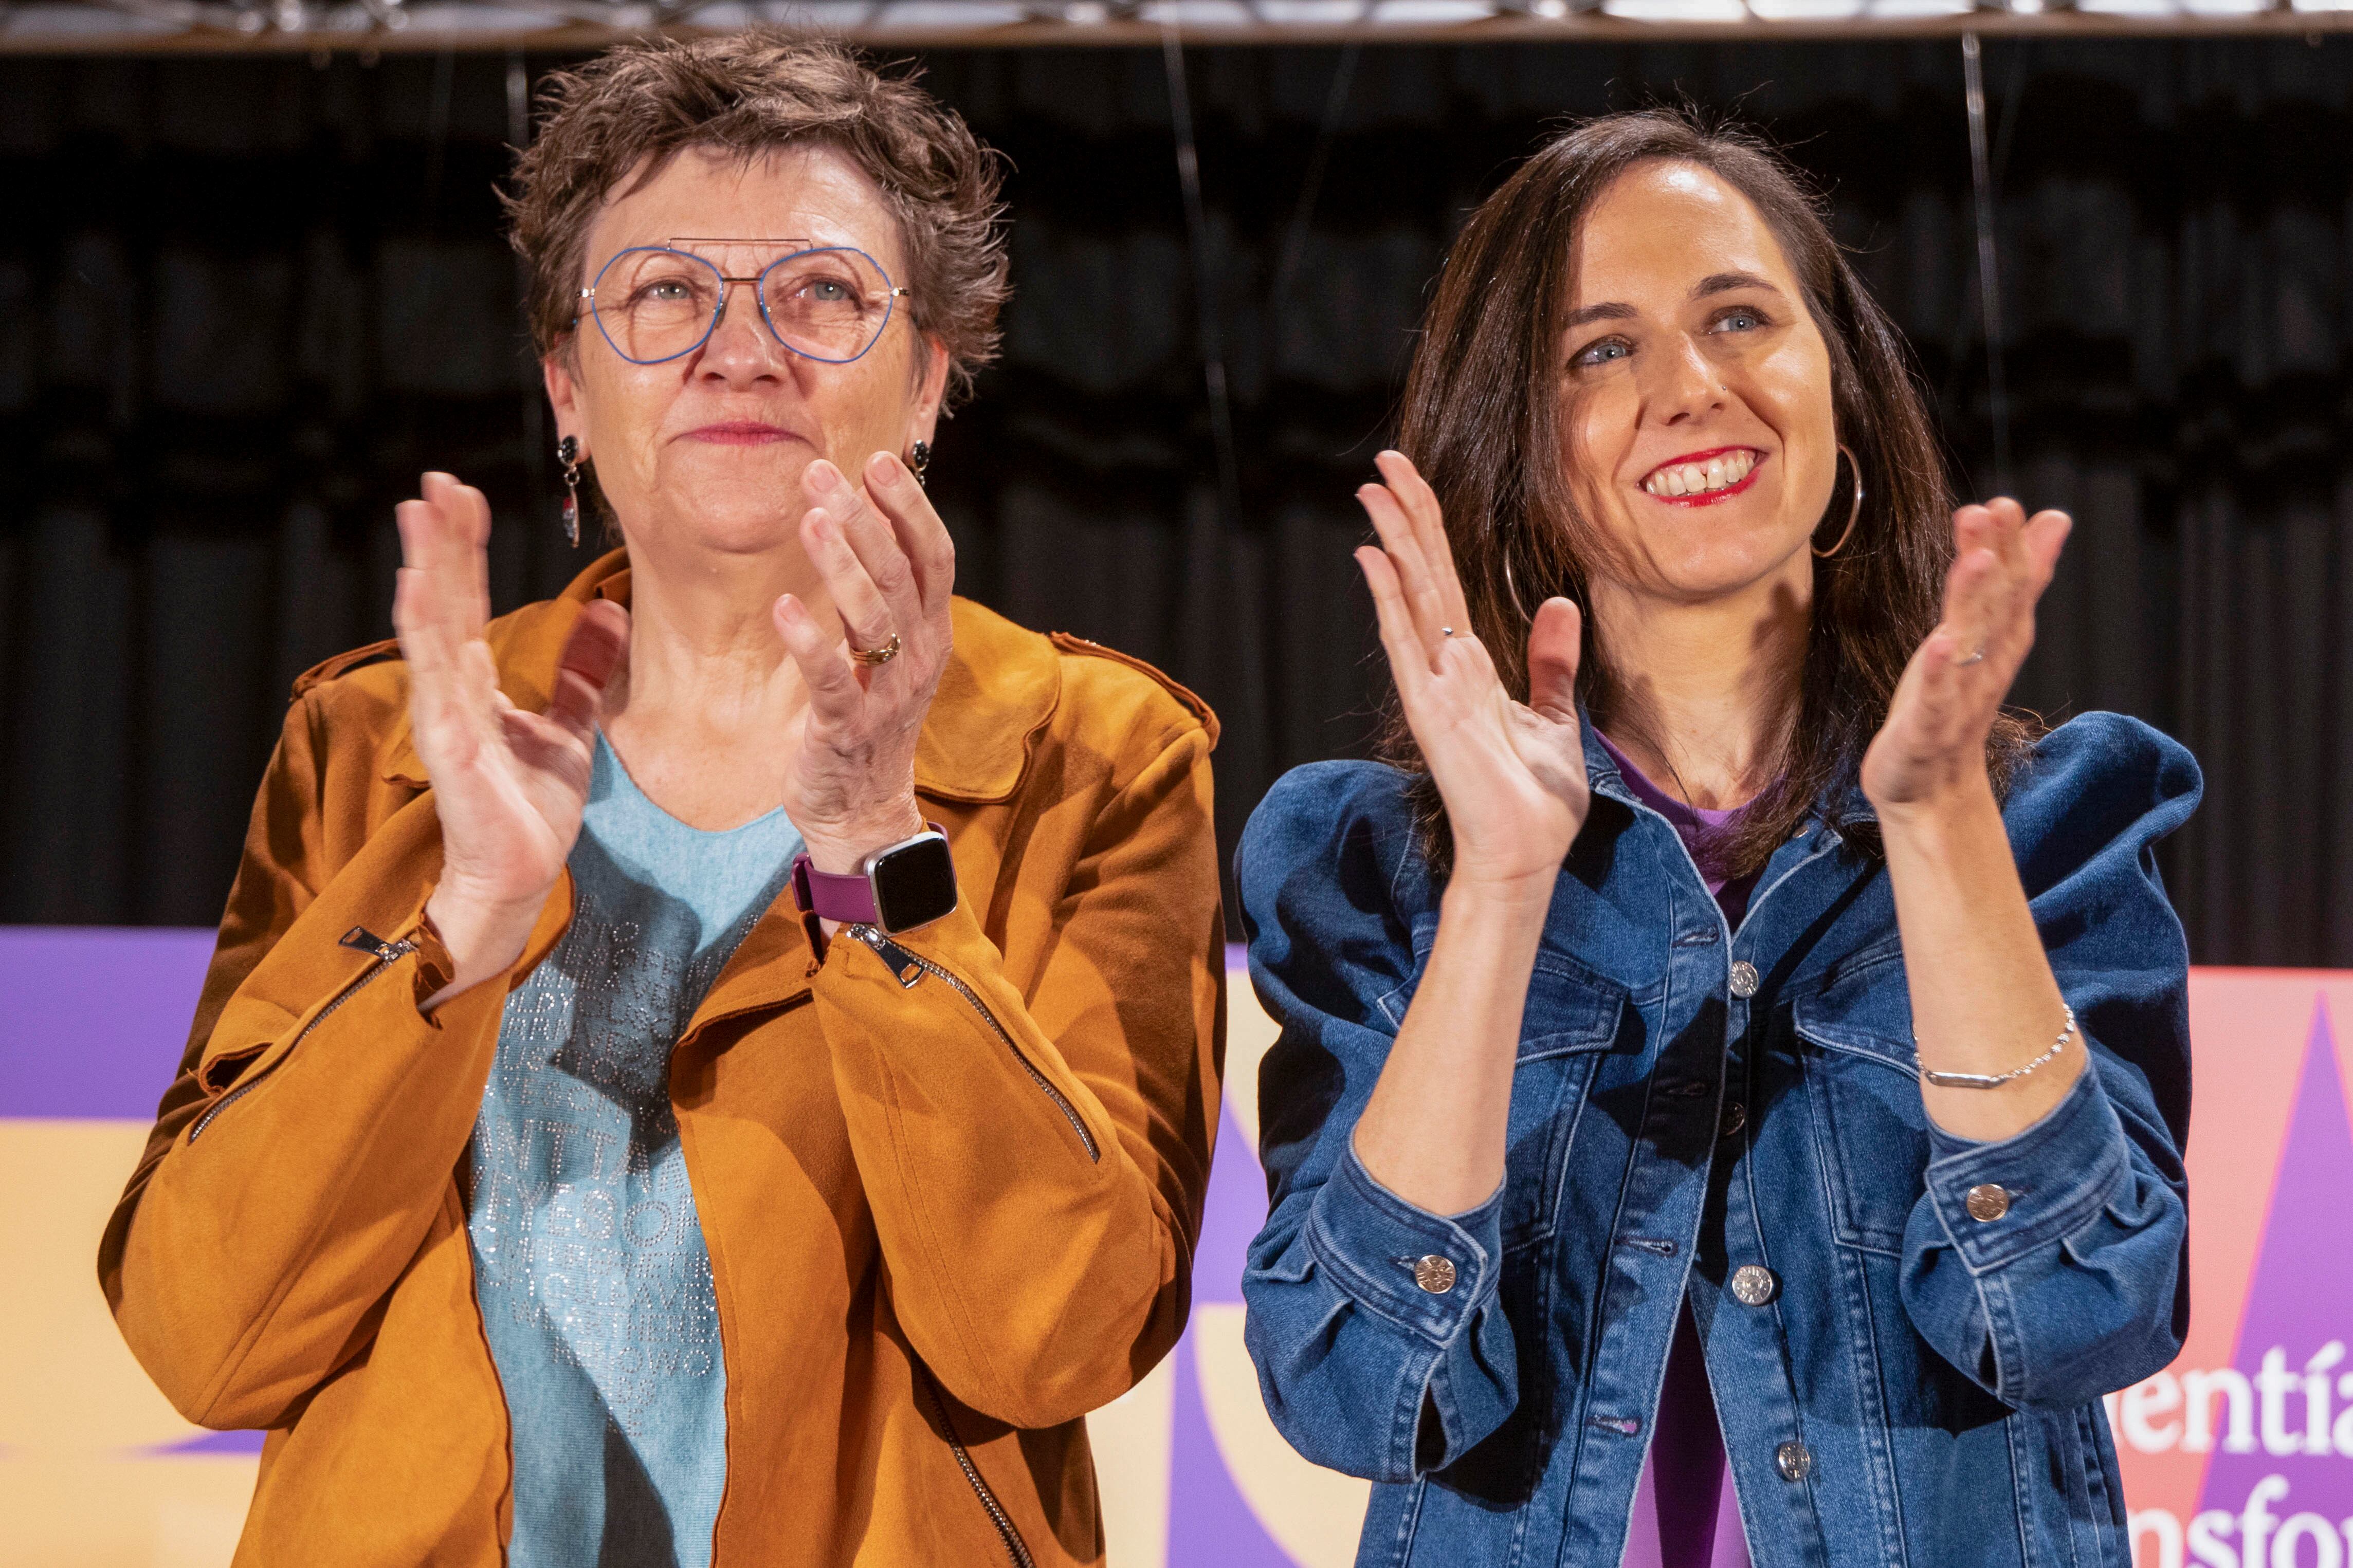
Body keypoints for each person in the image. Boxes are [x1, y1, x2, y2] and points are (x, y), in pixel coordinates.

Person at [99, 34, 1223, 1568]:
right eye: (664, 294)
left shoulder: (1097, 755)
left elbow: (1051, 1338)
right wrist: (460, 934)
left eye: (822, 295)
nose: (739, 349)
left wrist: (876, 847)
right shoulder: (376, 743)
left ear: (932, 375)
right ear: (569, 386)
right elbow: (204, 1333)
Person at [1237, 111, 2195, 1568]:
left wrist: (1935, 829)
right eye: (1599, 350)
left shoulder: (2048, 826)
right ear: (1522, 442)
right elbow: (1355, 1384)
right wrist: (1500, 891)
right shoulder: (1374, 866)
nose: (1692, 388)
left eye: (1739, 316)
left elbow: (2085, 1309)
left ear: (1840, 390)